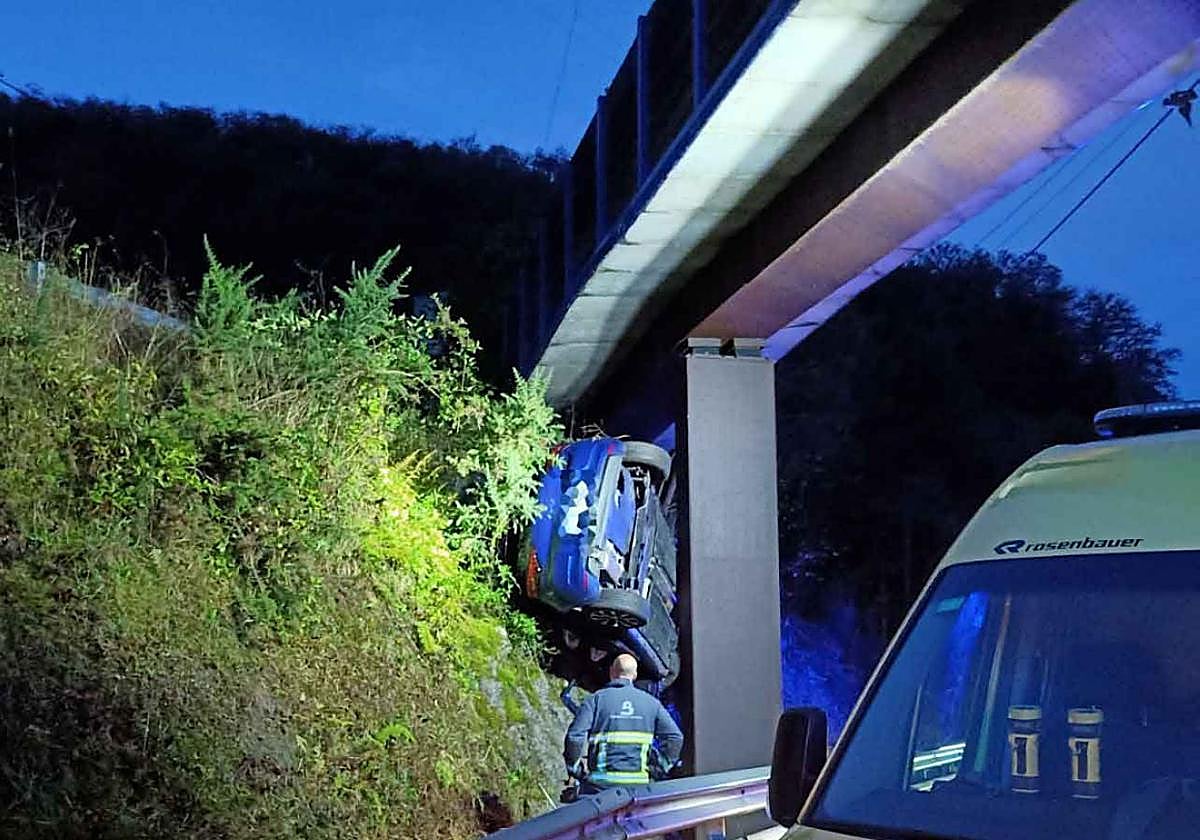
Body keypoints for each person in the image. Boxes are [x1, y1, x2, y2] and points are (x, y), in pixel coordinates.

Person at [564, 653, 684, 793]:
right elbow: (675, 738)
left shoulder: (596, 700)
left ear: (611, 672)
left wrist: (575, 768)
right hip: (638, 788)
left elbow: (575, 736)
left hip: (600, 787)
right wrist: (660, 767)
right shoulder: (652, 703)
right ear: (635, 675)